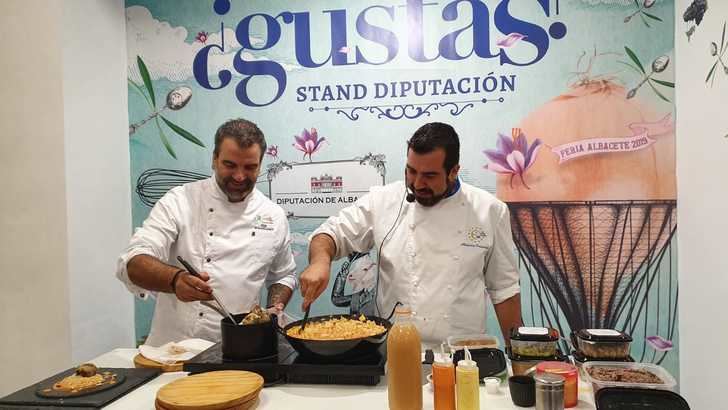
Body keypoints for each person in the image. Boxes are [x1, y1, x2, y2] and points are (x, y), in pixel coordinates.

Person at [299, 122, 522, 346]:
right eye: (411, 171)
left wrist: (520, 360)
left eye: (429, 176)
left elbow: (504, 291)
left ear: (454, 171)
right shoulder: (383, 201)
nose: (416, 183)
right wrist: (319, 262)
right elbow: (330, 234)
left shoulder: (489, 210)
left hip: (463, 356)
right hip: (395, 349)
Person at [116, 118, 297, 346]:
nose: (239, 176)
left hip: (242, 348)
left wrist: (274, 307)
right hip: (175, 349)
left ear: (260, 165)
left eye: (250, 167)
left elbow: (283, 275)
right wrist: (175, 280)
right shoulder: (179, 201)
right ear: (214, 159)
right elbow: (132, 262)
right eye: (230, 165)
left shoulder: (273, 215)